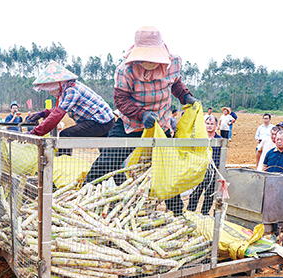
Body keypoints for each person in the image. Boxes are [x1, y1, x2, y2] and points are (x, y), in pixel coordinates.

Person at [84, 26, 198, 215]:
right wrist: (141, 113)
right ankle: (81, 197)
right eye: (144, 57)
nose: (149, 62)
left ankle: (178, 214)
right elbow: (120, 99)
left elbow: (175, 83)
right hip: (131, 124)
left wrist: (185, 96)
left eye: (153, 57)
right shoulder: (125, 70)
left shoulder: (174, 62)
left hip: (160, 125)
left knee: (164, 169)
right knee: (107, 161)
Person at [27, 61, 114, 146]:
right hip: (98, 120)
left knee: (65, 135)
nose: (51, 92)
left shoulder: (72, 90)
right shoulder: (67, 89)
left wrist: (35, 132)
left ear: (58, 85)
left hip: (101, 121)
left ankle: (63, 159)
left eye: (51, 89)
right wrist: (43, 113)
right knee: (104, 150)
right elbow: (58, 108)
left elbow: (58, 114)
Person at [187, 115, 222, 215]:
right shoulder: (199, 138)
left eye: (212, 124)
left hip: (213, 171)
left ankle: (204, 214)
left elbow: (221, 156)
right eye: (207, 124)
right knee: (195, 192)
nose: (209, 126)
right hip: (199, 170)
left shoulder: (219, 140)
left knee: (209, 194)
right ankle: (190, 212)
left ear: (216, 126)